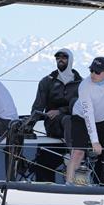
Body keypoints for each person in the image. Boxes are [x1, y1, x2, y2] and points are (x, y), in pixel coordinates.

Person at [30, 49, 82, 182]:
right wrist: (29, 125)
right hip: (53, 125)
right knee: (43, 164)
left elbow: (81, 105)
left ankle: (74, 157)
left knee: (70, 119)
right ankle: (73, 155)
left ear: (70, 60)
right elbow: (38, 107)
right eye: (58, 57)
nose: (60, 59)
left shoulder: (81, 83)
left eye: (64, 57)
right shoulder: (47, 81)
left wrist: (61, 111)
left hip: (75, 125)